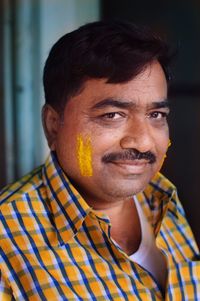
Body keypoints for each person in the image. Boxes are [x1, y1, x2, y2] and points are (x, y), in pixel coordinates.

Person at [0, 20, 199, 301]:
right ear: (53, 125)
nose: (143, 142)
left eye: (156, 115)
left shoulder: (162, 200)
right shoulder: (6, 243)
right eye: (112, 115)